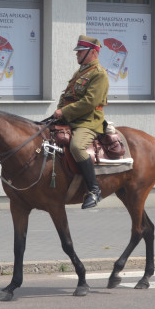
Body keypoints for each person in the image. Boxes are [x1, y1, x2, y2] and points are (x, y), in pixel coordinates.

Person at [54, 35, 109, 209]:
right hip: (70, 119)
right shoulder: (81, 72)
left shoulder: (99, 74)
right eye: (77, 52)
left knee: (77, 147)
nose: (77, 55)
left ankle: (94, 190)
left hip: (88, 121)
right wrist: (59, 113)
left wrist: (64, 111)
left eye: (80, 52)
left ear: (93, 52)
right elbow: (67, 96)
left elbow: (90, 102)